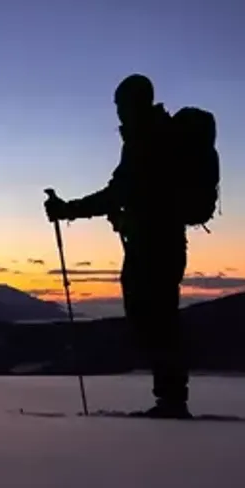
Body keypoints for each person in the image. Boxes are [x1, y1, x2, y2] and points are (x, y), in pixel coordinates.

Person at [44, 74, 191, 419]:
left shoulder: (147, 140)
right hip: (160, 242)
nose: (118, 113)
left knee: (154, 320)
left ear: (134, 102)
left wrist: (68, 210)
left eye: (120, 104)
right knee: (158, 319)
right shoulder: (153, 136)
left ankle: (171, 401)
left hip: (153, 246)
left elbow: (120, 192)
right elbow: (129, 193)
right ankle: (171, 398)